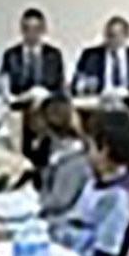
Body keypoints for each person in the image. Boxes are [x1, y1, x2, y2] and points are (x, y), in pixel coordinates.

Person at [52, 111, 129, 256]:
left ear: (104, 150)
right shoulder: (96, 180)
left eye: (90, 147)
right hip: (64, 253)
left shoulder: (117, 200)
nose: (87, 154)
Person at [36, 95, 91, 223]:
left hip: (62, 220)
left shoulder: (75, 159)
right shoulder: (49, 147)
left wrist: (35, 205)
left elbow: (60, 201)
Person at [72, 15, 129, 96]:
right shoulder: (90, 56)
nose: (111, 39)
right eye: (108, 35)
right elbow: (76, 85)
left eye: (115, 35)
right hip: (98, 100)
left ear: (127, 35)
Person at [0, 8, 65, 95]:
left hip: (47, 100)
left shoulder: (53, 55)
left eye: (36, 29)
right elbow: (4, 82)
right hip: (18, 99)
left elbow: (59, 86)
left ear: (43, 29)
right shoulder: (11, 55)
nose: (31, 33)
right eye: (27, 28)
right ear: (21, 29)